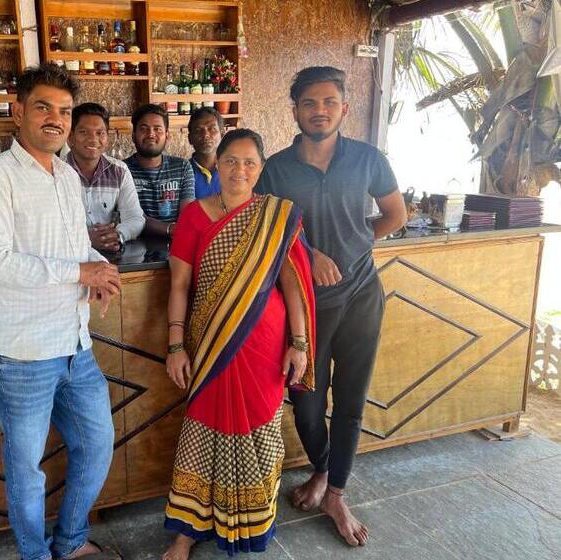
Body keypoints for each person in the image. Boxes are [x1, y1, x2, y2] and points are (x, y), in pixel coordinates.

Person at [0, 64, 121, 560]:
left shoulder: (67, 176)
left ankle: (70, 542)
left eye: (65, 111)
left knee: (97, 444)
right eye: (43, 108)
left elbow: (74, 247)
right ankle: (34, 554)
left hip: (75, 345)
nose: (56, 119)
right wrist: (79, 271)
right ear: (18, 113)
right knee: (26, 469)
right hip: (20, 353)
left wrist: (100, 269)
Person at [256, 66, 406, 547]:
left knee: (351, 400)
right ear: (295, 110)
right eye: (309, 103)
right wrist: (311, 255)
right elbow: (267, 231)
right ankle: (323, 468)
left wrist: (356, 245)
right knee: (306, 401)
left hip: (362, 296)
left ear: (344, 107)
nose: (319, 111)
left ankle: (336, 492)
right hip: (303, 304)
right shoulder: (275, 169)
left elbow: (395, 215)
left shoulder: (368, 158)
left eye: (328, 102)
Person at [163, 129, 316, 559]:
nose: (239, 170)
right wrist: (175, 345)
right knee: (202, 431)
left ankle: (252, 523)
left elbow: (293, 285)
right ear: (218, 163)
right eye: (231, 161)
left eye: (250, 162)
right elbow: (179, 284)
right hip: (210, 343)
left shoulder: (276, 217)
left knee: (259, 431)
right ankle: (187, 531)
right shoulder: (194, 215)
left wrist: (299, 343)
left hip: (265, 346)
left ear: (260, 169)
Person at [66, 102, 145, 252]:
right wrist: (86, 239)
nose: (93, 139)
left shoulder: (119, 171)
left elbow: (135, 218)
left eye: (100, 133)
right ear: (70, 137)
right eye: (84, 132)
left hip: (110, 252)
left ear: (107, 138)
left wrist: (117, 235)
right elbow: (48, 225)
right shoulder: (56, 172)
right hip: (69, 255)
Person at [124, 104, 195, 238]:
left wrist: (178, 231)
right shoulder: (121, 170)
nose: (151, 134)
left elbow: (187, 214)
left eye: (157, 129)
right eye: (144, 129)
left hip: (177, 243)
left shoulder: (182, 167)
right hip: (135, 246)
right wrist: (170, 229)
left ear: (167, 136)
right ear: (133, 136)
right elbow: (132, 217)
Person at [187, 107, 223, 199]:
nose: (205, 135)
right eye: (198, 130)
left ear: (222, 134)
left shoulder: (234, 169)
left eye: (212, 129)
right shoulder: (183, 173)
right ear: (190, 138)